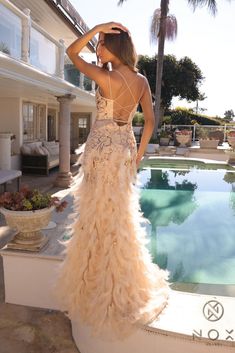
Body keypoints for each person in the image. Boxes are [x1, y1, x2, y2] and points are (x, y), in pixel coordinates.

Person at [56, 22, 169, 339]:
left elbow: (70, 52)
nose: (97, 48)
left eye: (102, 43)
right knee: (119, 214)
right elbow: (149, 121)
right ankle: (117, 278)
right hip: (124, 148)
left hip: (101, 148)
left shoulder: (104, 76)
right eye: (97, 42)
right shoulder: (142, 80)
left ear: (114, 47)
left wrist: (94, 28)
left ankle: (96, 283)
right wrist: (139, 154)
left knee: (95, 215)